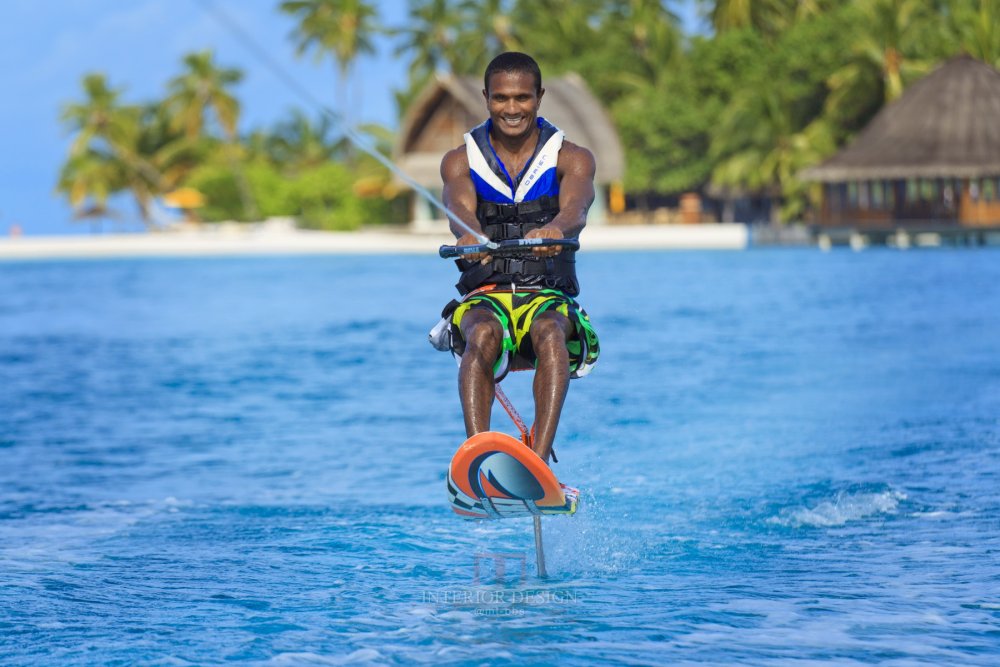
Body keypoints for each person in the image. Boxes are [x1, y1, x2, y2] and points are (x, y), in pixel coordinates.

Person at [436, 52, 600, 464]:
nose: (512, 109)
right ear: (486, 98)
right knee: (483, 335)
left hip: (545, 295)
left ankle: (538, 462)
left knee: (548, 332)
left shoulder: (572, 158)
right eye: (501, 98)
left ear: (539, 97)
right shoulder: (460, 161)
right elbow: (460, 209)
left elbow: (577, 208)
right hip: (487, 296)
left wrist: (557, 230)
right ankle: (478, 456)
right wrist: (469, 233)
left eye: (522, 98)